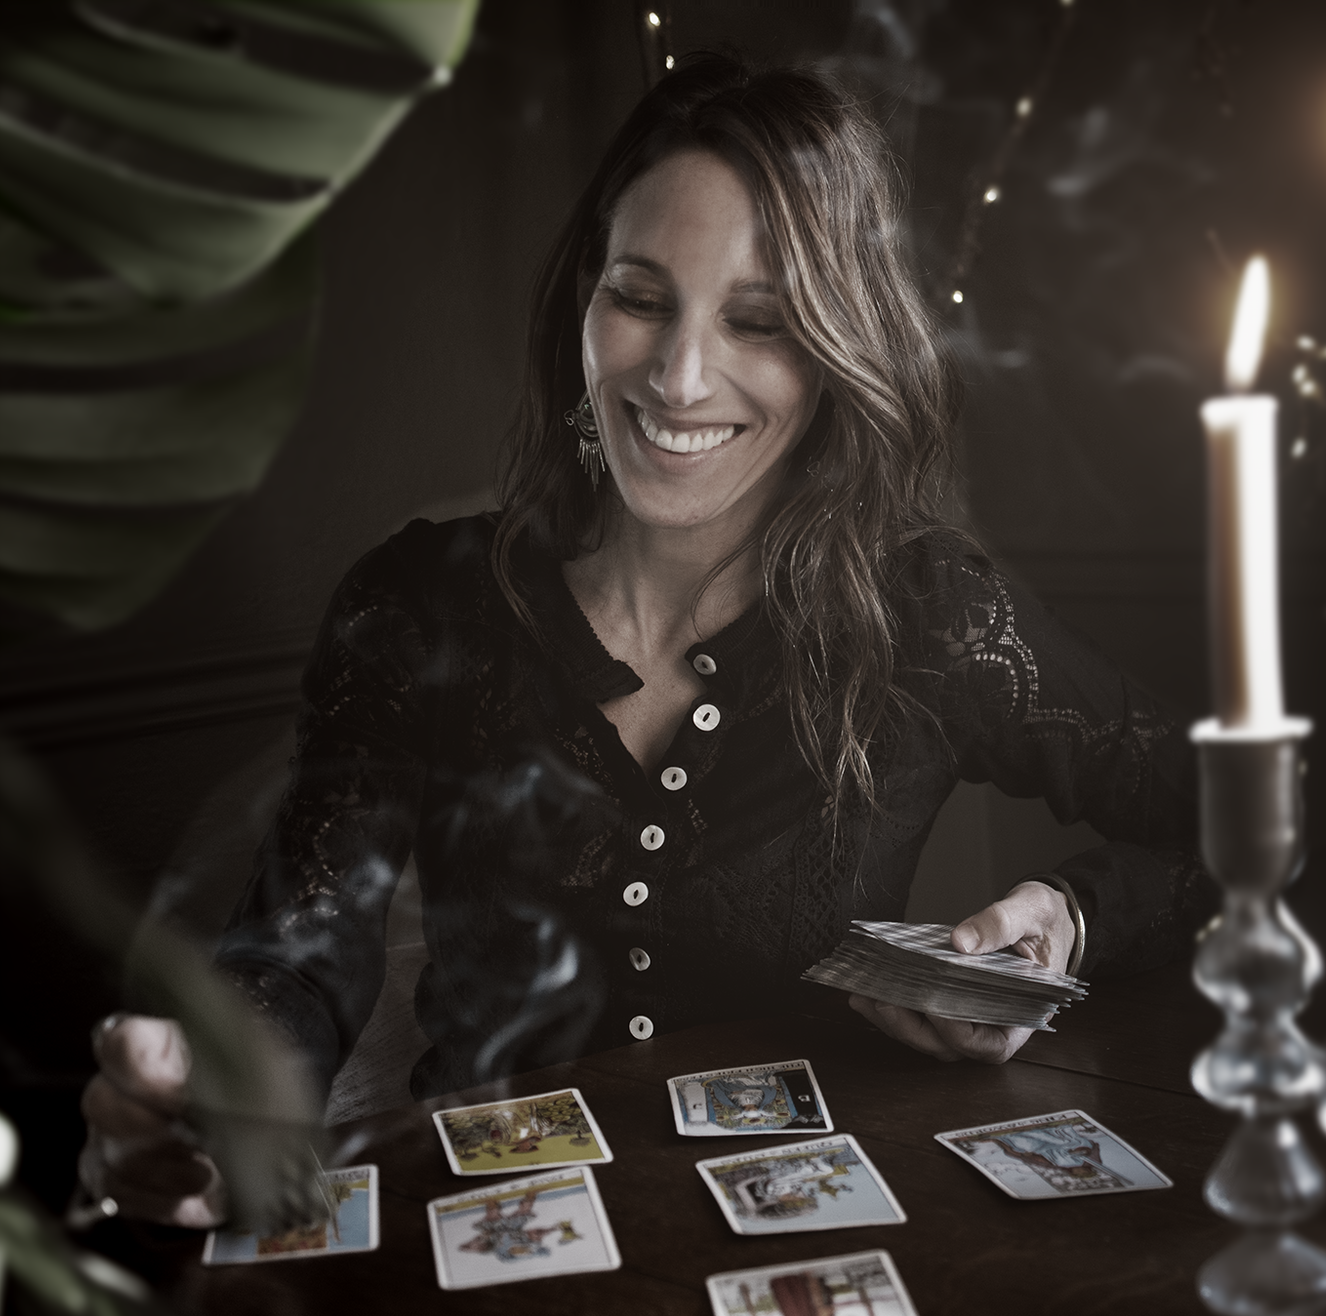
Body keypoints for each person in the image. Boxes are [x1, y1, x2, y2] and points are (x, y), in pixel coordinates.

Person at [79, 53, 1202, 1226]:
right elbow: (299, 952)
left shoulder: (928, 612)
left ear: (836, 353)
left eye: (758, 320)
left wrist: (1068, 916)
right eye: (640, 296)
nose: (678, 375)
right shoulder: (417, 604)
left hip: (809, 1233)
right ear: (585, 297)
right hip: (494, 1235)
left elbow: (1246, 818)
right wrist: (212, 1088)